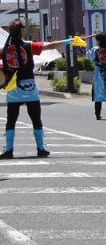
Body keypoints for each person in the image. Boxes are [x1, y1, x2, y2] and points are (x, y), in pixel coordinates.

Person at [0, 19, 66, 158]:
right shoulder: (28, 45)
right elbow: (51, 45)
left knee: (11, 119)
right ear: (22, 31)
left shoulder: (4, 49)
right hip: (29, 86)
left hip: (13, 88)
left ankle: (9, 150)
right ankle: (41, 148)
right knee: (36, 118)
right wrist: (69, 40)